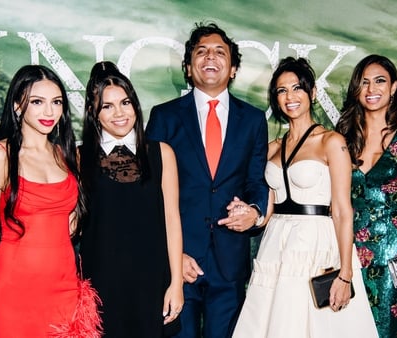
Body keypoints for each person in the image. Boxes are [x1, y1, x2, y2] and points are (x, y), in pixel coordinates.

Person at [231, 57, 378, 337]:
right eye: (282, 91)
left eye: (297, 88)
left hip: (318, 245)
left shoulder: (331, 142)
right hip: (276, 245)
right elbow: (268, 212)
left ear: (311, 93)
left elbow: (343, 211)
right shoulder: (272, 147)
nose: (290, 97)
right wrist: (249, 214)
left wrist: (345, 273)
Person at [145, 22, 269, 338]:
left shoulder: (253, 120)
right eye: (201, 52)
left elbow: (256, 180)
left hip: (230, 264)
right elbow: (149, 192)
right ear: (188, 68)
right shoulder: (165, 116)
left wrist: (255, 212)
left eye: (219, 52)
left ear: (234, 68)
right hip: (178, 262)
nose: (209, 57)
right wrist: (171, 253)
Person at [0, 65, 102, 338]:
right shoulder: (0, 156)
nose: (49, 112)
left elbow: (70, 223)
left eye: (56, 102)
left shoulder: (66, 155)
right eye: (37, 102)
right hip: (11, 289)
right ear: (18, 106)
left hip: (63, 287)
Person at [77, 61, 184, 337]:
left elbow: (172, 220)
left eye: (125, 102)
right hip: (100, 285)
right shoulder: (78, 158)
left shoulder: (162, 154)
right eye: (107, 106)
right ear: (93, 112)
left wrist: (176, 284)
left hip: (151, 284)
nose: (119, 113)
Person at [336, 54, 397, 338]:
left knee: (382, 332)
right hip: (345, 251)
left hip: (391, 254)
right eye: (364, 82)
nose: (371, 89)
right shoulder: (341, 136)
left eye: (380, 81)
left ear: (393, 87)